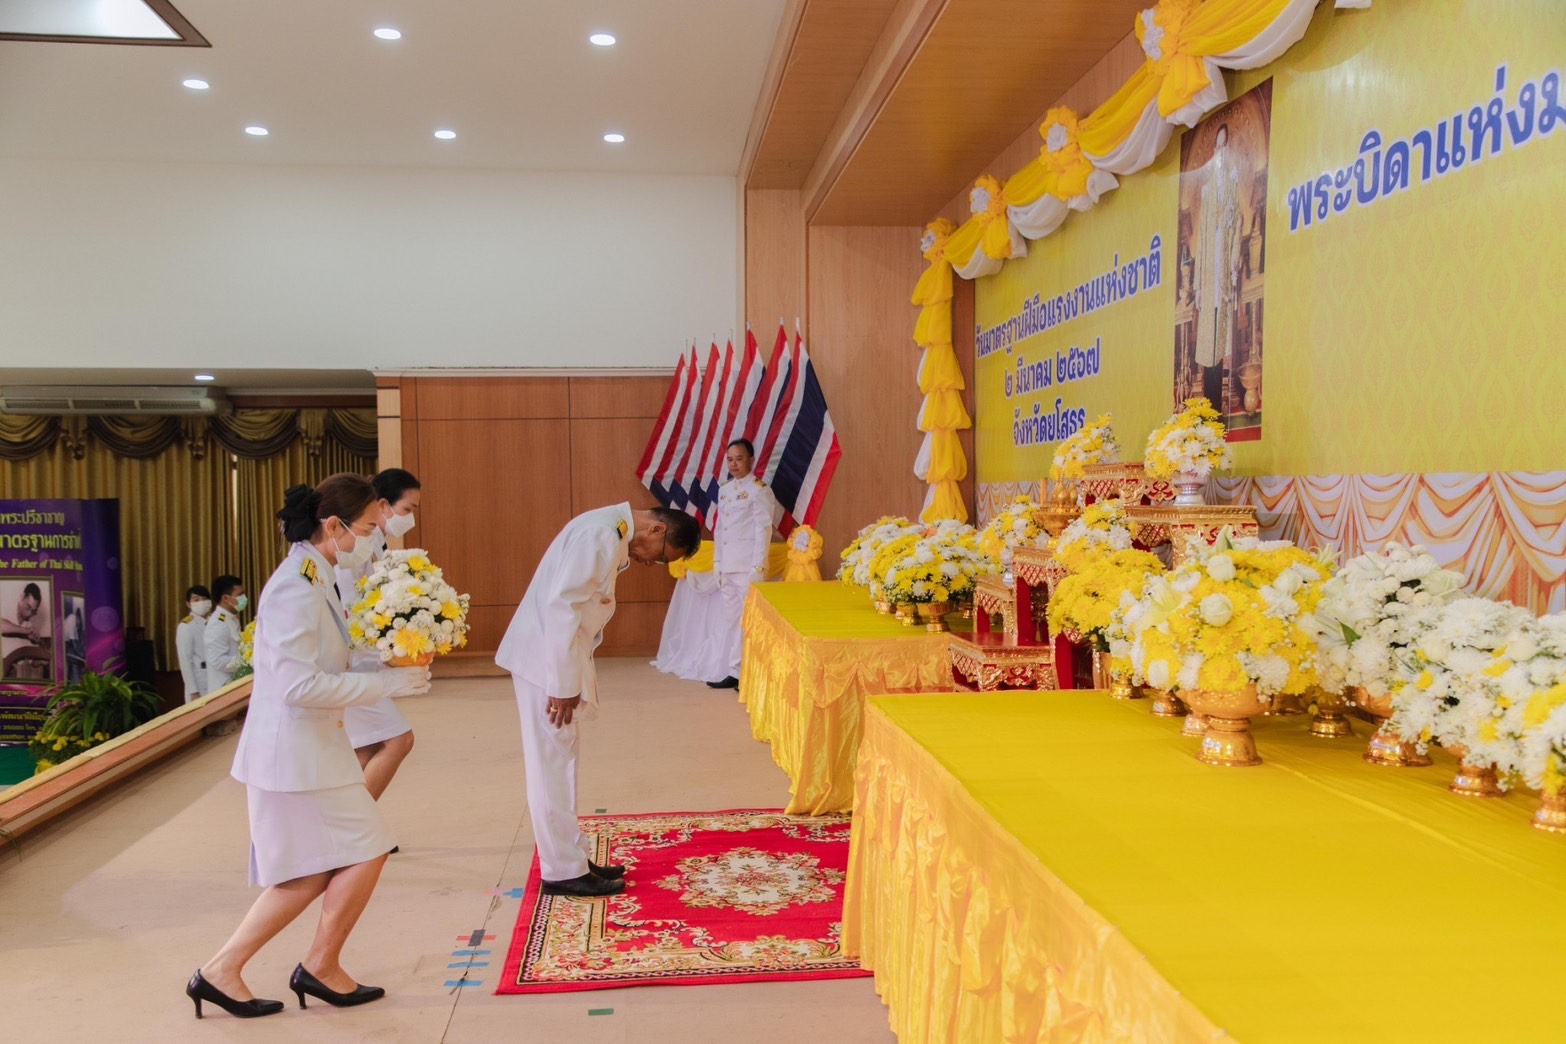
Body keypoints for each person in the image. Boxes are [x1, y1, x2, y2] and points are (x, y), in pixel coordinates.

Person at [186, 476, 432, 1020]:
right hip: (292, 754)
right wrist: (388, 685)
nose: (372, 537)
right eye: (368, 528)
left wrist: (391, 662)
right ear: (334, 527)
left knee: (331, 862)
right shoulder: (296, 586)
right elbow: (298, 686)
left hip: (314, 750)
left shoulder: (315, 573)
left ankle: (279, 967)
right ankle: (250, 969)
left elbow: (331, 660)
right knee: (338, 859)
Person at [496, 503, 699, 898]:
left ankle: (570, 857)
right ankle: (560, 869)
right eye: (660, 559)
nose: (649, 564)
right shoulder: (603, 534)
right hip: (546, 664)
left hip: (553, 660)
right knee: (551, 764)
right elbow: (562, 607)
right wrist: (562, 683)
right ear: (656, 530)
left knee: (562, 759)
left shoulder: (609, 528)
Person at [340, 468, 422, 802]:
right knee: (399, 740)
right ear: (383, 504)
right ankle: (355, 830)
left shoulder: (378, 541)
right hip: (352, 664)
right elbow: (350, 604)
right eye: (407, 509)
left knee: (370, 745)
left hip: (364, 662)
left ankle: (348, 827)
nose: (411, 518)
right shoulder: (361, 545)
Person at [705, 439, 778, 690]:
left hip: (748, 567)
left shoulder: (759, 490)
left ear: (750, 460)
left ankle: (751, 673)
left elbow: (763, 530)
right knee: (733, 621)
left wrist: (758, 568)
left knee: (750, 621)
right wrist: (717, 561)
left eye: (739, 459)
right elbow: (720, 529)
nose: (734, 464)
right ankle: (736, 672)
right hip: (728, 565)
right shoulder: (725, 490)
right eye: (730, 459)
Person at [1193, 122, 1242, 412]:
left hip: (1224, 273)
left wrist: (1234, 263)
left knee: (1221, 339)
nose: (1221, 151)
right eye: (1218, 146)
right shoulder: (1207, 188)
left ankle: (1218, 406)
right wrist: (1199, 284)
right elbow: (1201, 239)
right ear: (1214, 150)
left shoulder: (1232, 185)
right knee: (1207, 340)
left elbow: (1236, 227)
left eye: (1225, 145)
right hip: (1209, 276)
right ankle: (1207, 405)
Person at [203, 574, 247, 694]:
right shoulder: (218, 623)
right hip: (223, 691)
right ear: (226, 599)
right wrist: (248, 660)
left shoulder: (231, 619)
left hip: (235, 687)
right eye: (240, 594)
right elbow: (218, 661)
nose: (244, 598)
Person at [177, 585, 213, 702]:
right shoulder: (186, 626)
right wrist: (193, 691)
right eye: (196, 600)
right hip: (200, 680)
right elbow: (185, 661)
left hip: (217, 677)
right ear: (188, 604)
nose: (201, 602)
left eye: (204, 599)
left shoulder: (217, 620)